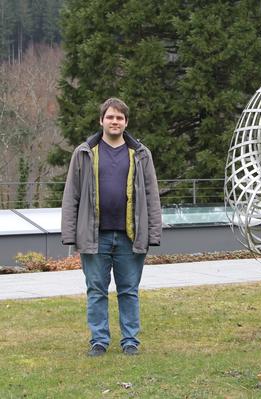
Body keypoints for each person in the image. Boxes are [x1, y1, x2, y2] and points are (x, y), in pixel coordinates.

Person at [61, 97, 162, 357]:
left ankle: (130, 341)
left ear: (125, 122)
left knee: (129, 291)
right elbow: (71, 195)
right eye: (110, 117)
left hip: (131, 237)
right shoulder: (84, 152)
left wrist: (153, 232)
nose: (114, 121)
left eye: (119, 118)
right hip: (95, 236)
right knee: (96, 290)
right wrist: (70, 233)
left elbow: (152, 196)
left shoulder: (140, 153)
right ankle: (99, 340)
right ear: (101, 120)